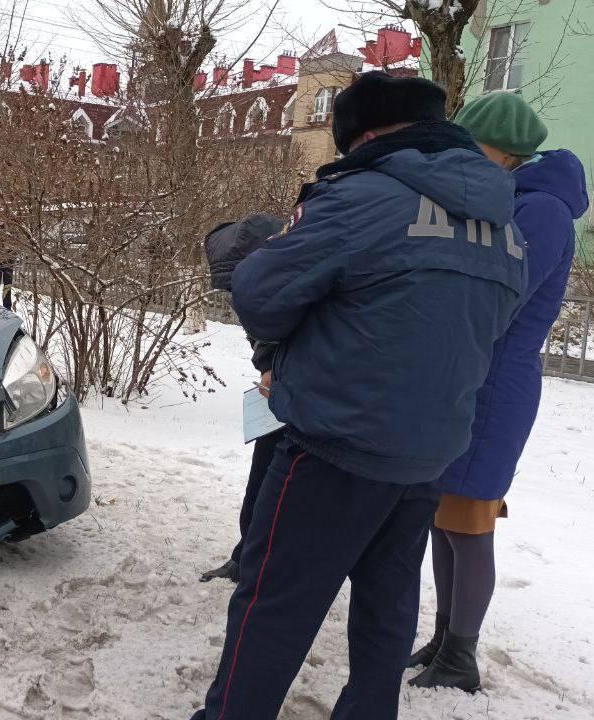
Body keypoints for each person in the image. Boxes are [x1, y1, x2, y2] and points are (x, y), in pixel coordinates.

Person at [191, 71, 527, 720]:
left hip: (335, 446)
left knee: (275, 602)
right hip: (430, 453)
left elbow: (260, 293)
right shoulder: (503, 222)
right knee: (387, 604)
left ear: (368, 134)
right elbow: (489, 323)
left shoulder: (362, 197)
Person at [407, 92, 588, 692]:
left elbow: (500, 296)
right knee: (443, 516)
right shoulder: (510, 200)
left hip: (496, 382)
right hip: (470, 373)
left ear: (501, 150)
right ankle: (443, 636)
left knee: (469, 518)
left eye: (471, 143)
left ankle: (461, 655)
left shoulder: (542, 212)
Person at [200, 213, 286, 584]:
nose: (234, 301)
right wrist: (267, 362)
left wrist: (275, 364)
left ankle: (265, 563)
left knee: (280, 486)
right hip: (275, 394)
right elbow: (260, 327)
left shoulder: (294, 276)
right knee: (262, 477)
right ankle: (246, 556)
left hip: (305, 397)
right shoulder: (260, 283)